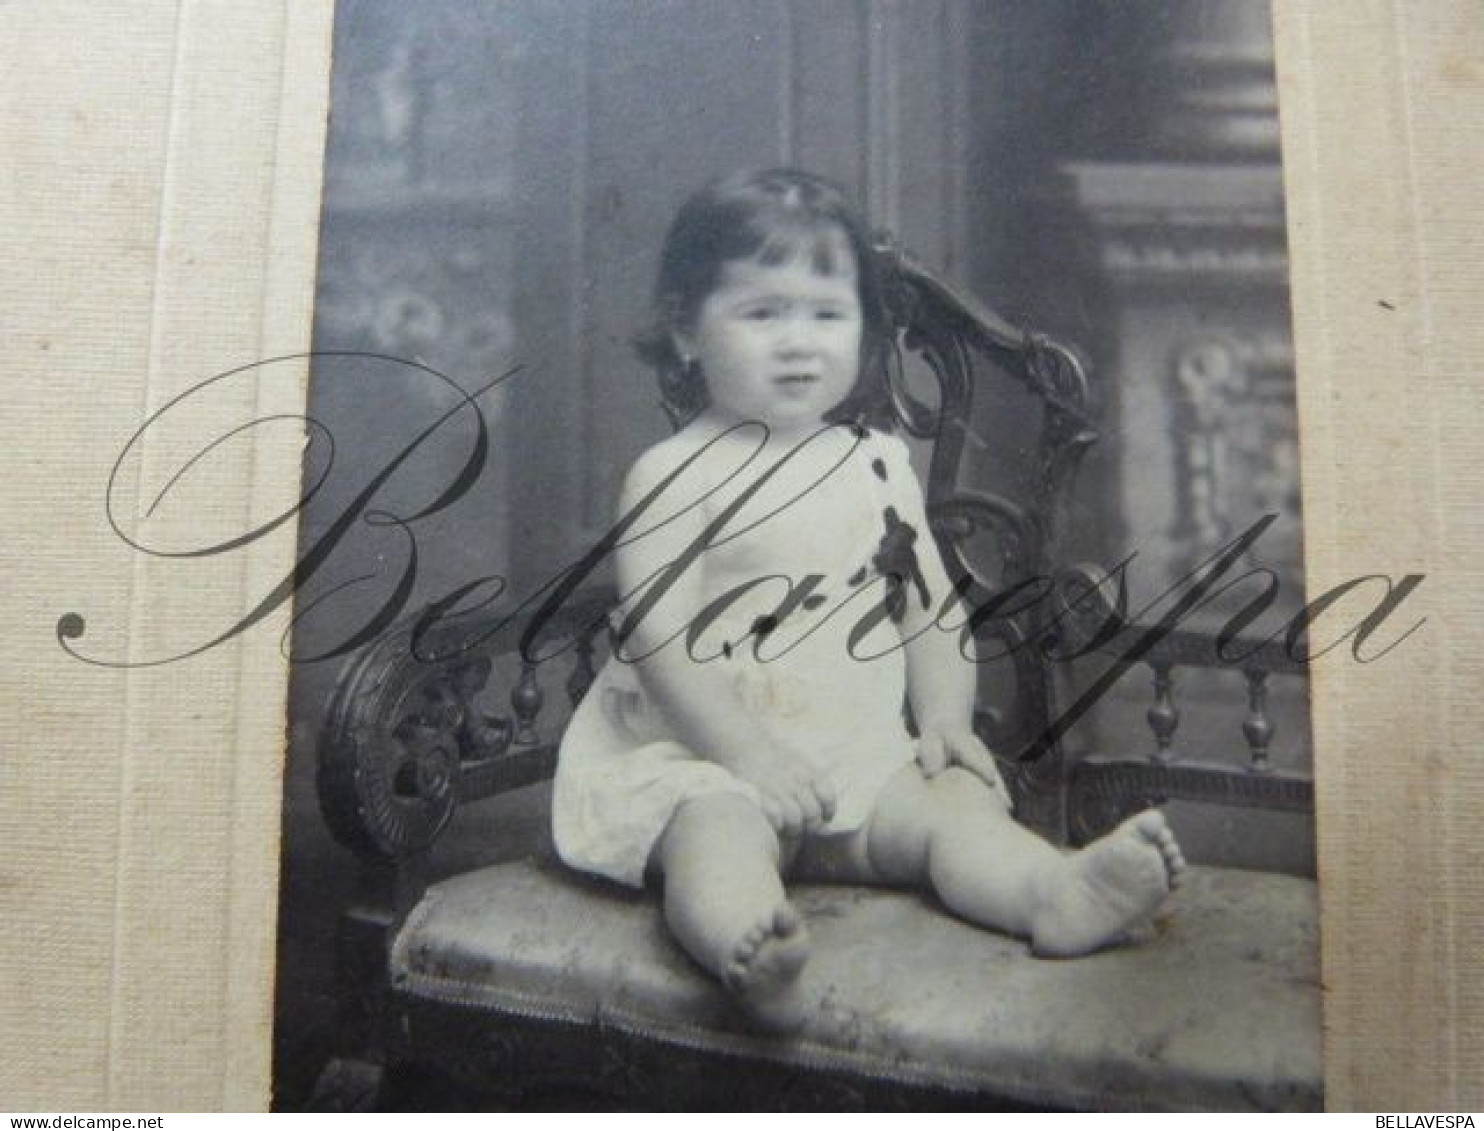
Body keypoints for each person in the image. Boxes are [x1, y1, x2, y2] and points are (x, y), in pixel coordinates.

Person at [552, 169, 1185, 1030]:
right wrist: (748, 756)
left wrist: (945, 722)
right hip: (701, 752)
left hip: (852, 752)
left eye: (826, 313)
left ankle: (1051, 892)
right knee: (714, 832)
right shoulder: (674, 473)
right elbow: (663, 641)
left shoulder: (874, 459)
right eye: (762, 313)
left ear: (864, 330)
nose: (798, 343)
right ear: (686, 332)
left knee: (949, 809)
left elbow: (926, 604)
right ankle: (749, 942)